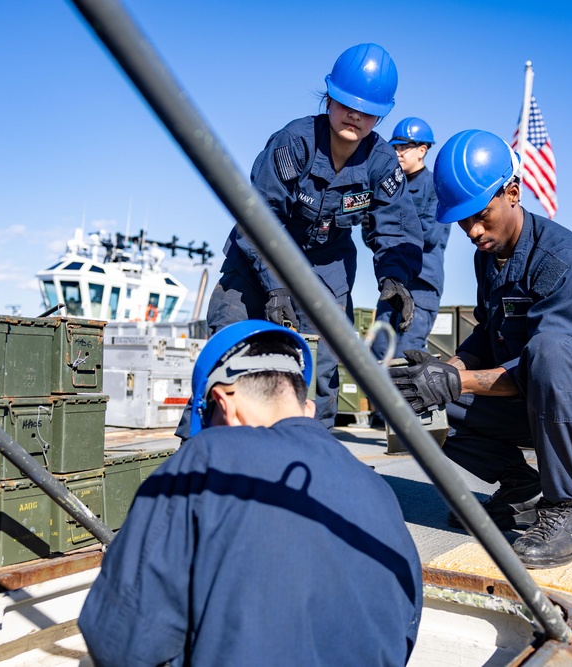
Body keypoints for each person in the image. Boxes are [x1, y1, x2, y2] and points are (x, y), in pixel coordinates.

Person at [79, 320, 423, 666]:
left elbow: (117, 642)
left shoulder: (206, 462)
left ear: (224, 403)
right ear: (308, 410)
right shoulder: (379, 492)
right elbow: (403, 634)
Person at [389, 130, 572, 569]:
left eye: (481, 215)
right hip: (537, 403)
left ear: (513, 192)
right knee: (420, 396)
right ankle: (520, 489)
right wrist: (445, 369)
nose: (472, 231)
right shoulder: (488, 254)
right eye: (462, 221)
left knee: (548, 351)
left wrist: (458, 381)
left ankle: (567, 510)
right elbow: (487, 334)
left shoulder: (562, 259)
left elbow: (546, 365)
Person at [205, 43, 423, 430]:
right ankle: (205, 455)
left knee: (318, 372)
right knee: (228, 352)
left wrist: (394, 277)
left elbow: (395, 226)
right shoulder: (293, 143)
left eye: (367, 110)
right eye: (344, 103)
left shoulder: (382, 163)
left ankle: (310, 458)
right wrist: (275, 286)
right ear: (329, 97)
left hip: (326, 270)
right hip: (258, 261)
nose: (354, 115)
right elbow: (259, 218)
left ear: (380, 115)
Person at [368, 117, 449, 358]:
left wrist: (394, 229)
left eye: (404, 147)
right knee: (377, 355)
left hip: (422, 286)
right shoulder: (388, 187)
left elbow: (429, 234)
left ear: (422, 150)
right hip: (393, 284)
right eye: (394, 147)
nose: (398, 153)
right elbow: (374, 234)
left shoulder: (435, 188)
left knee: (406, 356)